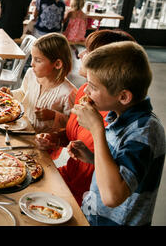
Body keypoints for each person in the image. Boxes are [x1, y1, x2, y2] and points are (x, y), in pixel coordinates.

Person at [34, 30, 136, 206]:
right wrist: (55, 138)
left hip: (88, 198)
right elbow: (74, 136)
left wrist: (96, 129)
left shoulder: (120, 118)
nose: (80, 54)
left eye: (88, 51)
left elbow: (114, 193)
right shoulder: (84, 92)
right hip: (64, 176)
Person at [69, 41, 165, 226]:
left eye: (93, 87)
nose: (86, 91)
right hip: (94, 217)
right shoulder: (117, 116)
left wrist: (97, 130)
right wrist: (92, 157)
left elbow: (113, 196)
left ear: (123, 97)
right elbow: (121, 167)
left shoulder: (146, 131)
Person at [11, 33, 76, 133]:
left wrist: (54, 115)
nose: (32, 63)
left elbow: (72, 124)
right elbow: (23, 93)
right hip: (23, 129)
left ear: (57, 64)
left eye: (37, 60)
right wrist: (10, 94)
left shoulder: (68, 92)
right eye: (32, 58)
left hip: (45, 143)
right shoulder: (30, 74)